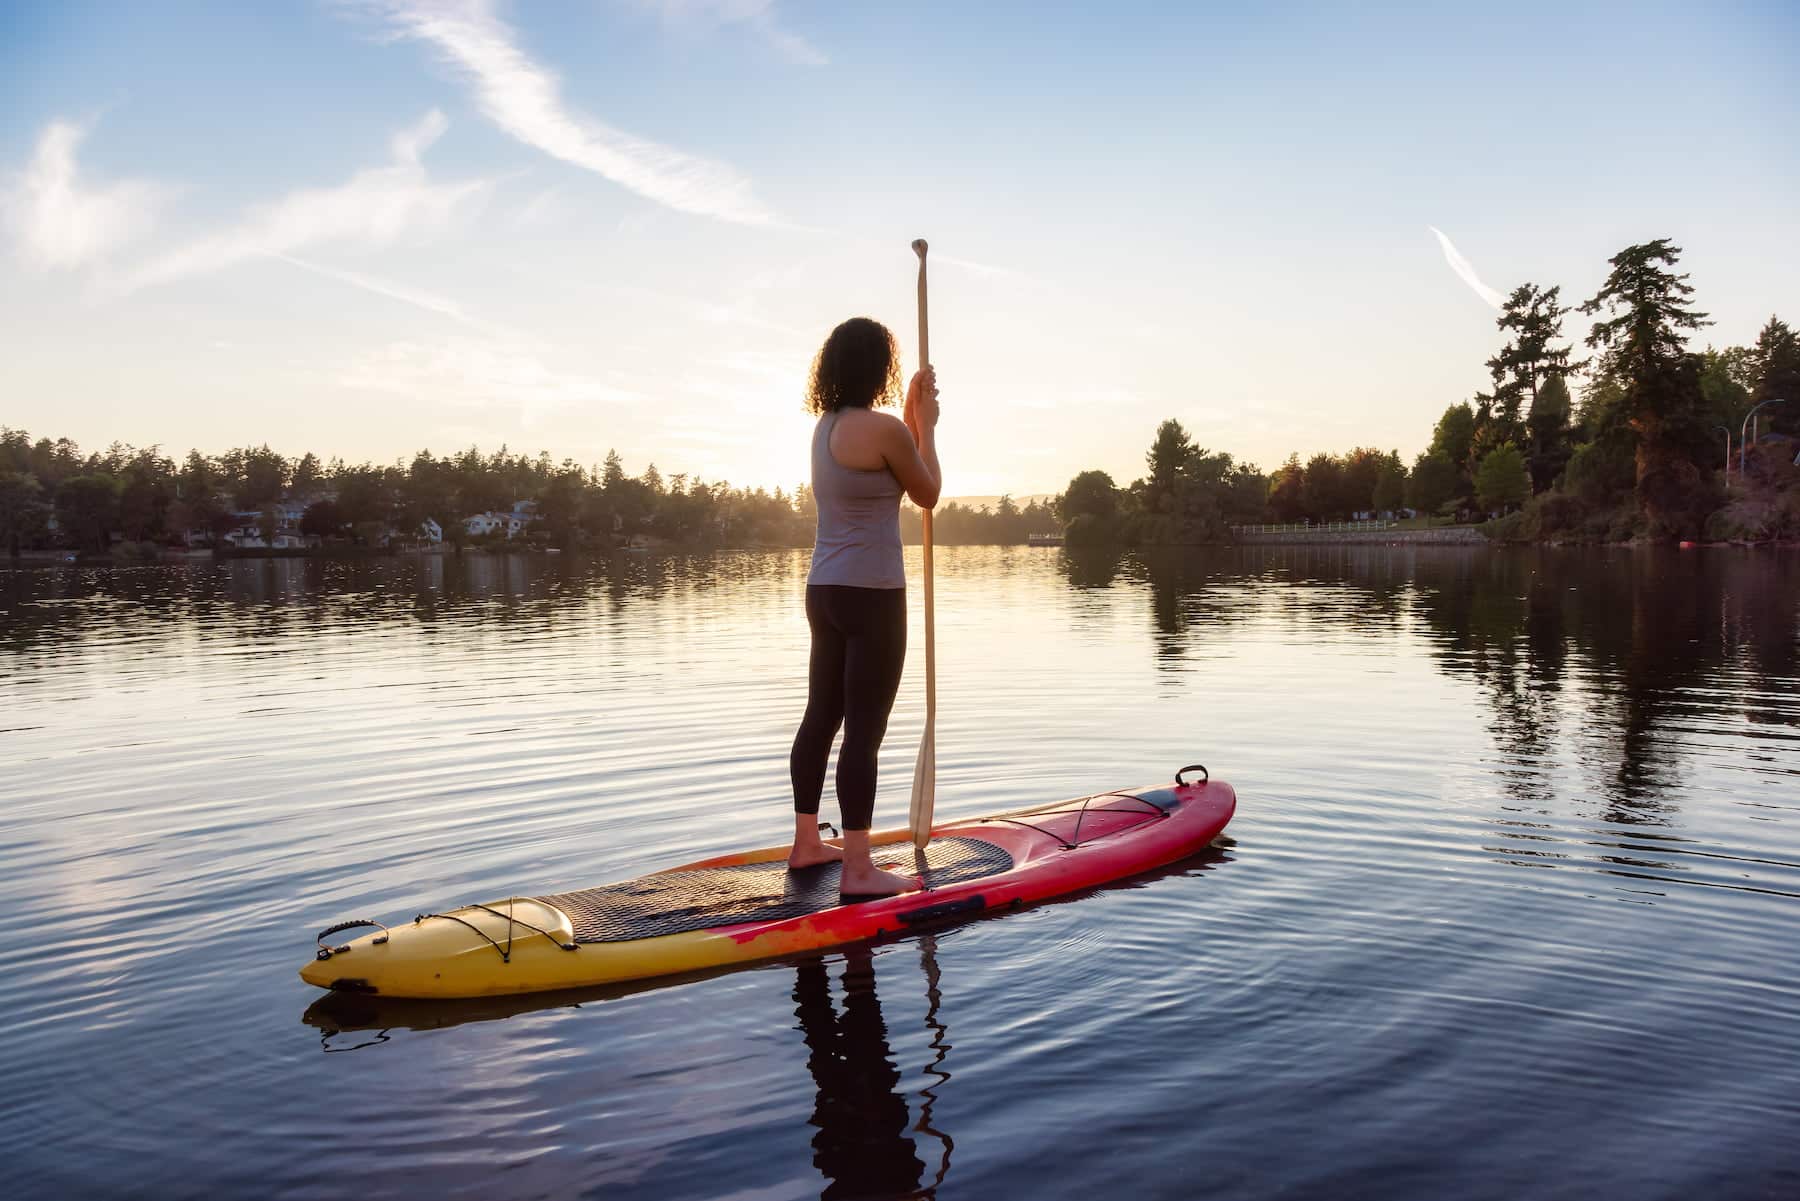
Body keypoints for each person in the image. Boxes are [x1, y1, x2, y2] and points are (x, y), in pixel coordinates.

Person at [787, 316, 941, 898]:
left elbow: (889, 458)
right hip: (873, 595)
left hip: (822, 591)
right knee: (865, 731)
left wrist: (910, 420)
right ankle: (857, 868)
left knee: (821, 716)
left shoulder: (824, 428)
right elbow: (927, 492)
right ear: (882, 368)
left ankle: (807, 842)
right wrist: (925, 426)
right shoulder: (886, 431)